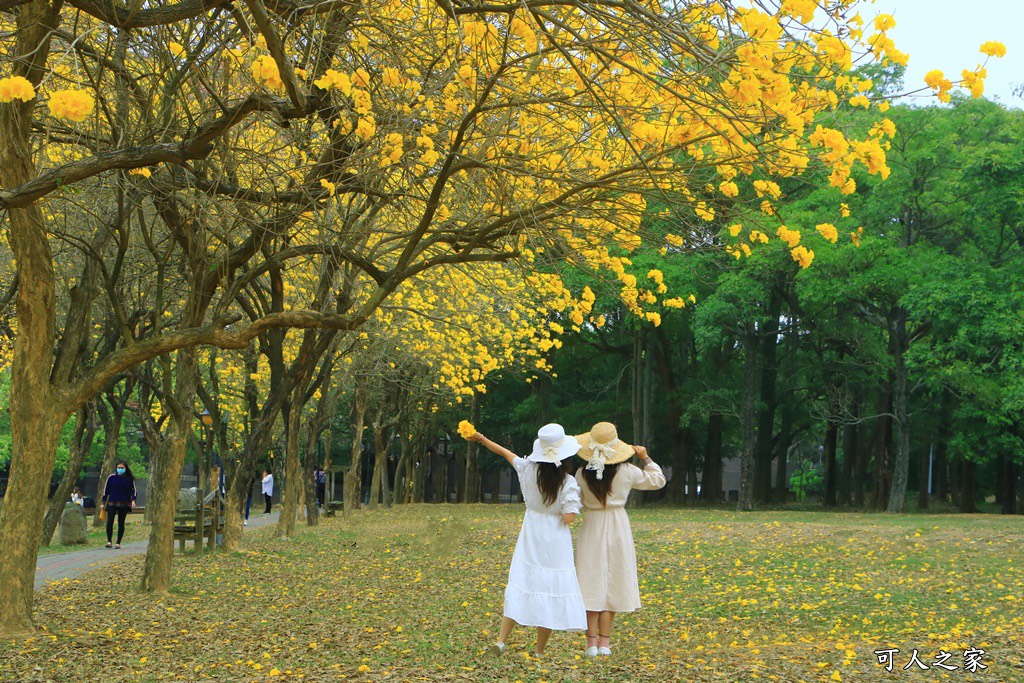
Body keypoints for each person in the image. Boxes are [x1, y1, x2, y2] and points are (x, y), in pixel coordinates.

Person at [469, 424, 586, 658]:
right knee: (550, 591)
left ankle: (502, 641)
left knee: (522, 583)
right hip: (554, 542)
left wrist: (481, 438)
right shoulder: (568, 482)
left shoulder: (526, 469)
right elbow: (569, 518)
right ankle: (539, 650)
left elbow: (504, 452)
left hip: (531, 536)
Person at [573, 422, 666, 657]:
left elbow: (578, 501)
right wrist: (646, 458)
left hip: (592, 525)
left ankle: (590, 642)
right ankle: (605, 642)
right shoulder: (627, 471)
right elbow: (657, 480)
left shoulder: (581, 474)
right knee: (614, 579)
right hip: (618, 525)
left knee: (590, 580)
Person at [101, 461, 137, 549]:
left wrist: (133, 500)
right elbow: (106, 491)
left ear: (125, 468)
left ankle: (118, 542)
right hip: (112, 503)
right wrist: (103, 502)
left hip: (124, 504)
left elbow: (133, 491)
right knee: (110, 522)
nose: (120, 469)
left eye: (122, 468)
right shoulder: (111, 478)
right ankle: (109, 541)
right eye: (119, 467)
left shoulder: (129, 479)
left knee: (121, 522)